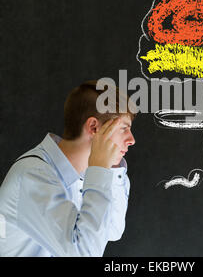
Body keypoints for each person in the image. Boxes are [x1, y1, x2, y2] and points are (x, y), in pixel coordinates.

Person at [0, 80, 136, 257]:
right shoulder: (33, 175)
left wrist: (111, 168)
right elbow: (84, 253)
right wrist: (100, 169)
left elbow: (112, 230)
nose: (131, 140)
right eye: (124, 128)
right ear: (94, 127)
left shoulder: (82, 174)